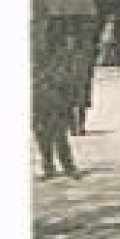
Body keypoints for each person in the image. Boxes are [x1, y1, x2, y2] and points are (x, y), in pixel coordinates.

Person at [33, 49, 79, 179]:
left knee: (60, 139)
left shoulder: (61, 75)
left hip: (57, 108)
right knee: (43, 141)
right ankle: (49, 168)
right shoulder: (37, 76)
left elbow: (69, 97)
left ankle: (69, 167)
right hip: (40, 108)